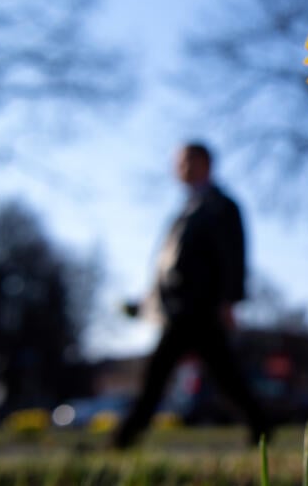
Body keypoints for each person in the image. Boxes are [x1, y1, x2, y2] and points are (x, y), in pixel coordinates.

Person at [113, 141, 270, 449]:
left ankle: (124, 438)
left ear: (204, 164)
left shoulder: (220, 206)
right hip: (178, 307)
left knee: (159, 374)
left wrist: (229, 300)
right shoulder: (187, 209)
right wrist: (148, 302)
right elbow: (169, 264)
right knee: (224, 374)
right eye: (178, 162)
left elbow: (234, 254)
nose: (179, 168)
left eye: (185, 161)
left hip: (200, 307)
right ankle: (261, 426)